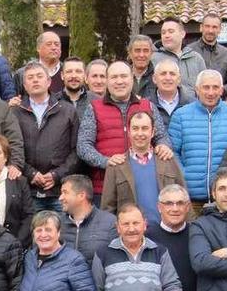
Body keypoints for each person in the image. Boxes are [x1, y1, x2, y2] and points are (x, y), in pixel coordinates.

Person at [77, 61, 171, 206]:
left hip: (144, 186)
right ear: (107, 81)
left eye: (124, 76)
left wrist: (164, 146)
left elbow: (161, 136)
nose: (119, 81)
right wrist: (105, 161)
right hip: (106, 187)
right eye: (114, 77)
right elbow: (83, 146)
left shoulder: (147, 106)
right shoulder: (94, 108)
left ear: (132, 79)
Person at [168, 70, 227, 205]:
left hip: (224, 197)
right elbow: (172, 151)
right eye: (206, 87)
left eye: (215, 87)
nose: (211, 92)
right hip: (190, 198)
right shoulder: (180, 115)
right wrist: (184, 175)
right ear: (197, 90)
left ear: (222, 90)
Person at [13, 62, 79, 214]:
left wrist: (57, 175)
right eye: (30, 77)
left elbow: (76, 150)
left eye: (39, 76)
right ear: (24, 84)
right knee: (36, 236)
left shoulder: (67, 111)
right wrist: (30, 173)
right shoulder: (15, 112)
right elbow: (10, 149)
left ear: (48, 81)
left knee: (62, 235)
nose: (35, 80)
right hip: (28, 191)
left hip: (61, 190)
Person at [101, 111, 185, 223]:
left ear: (153, 132)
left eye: (145, 128)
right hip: (132, 234)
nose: (140, 133)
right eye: (135, 128)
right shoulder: (116, 166)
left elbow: (184, 198)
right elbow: (108, 208)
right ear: (129, 132)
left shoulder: (167, 160)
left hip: (167, 231)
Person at [187, 13, 227, 98]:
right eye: (207, 26)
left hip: (219, 104)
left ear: (220, 29)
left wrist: (218, 90)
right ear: (201, 28)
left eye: (214, 27)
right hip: (193, 103)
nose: (210, 30)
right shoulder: (188, 51)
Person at [151, 17, 207, 90]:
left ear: (182, 34)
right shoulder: (152, 59)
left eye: (171, 31)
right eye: (163, 32)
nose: (166, 35)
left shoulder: (196, 58)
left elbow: (205, 86)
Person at [144, 60, 195, 129]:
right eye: (163, 74)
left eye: (172, 74)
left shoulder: (192, 104)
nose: (168, 78)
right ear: (154, 79)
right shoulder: (145, 105)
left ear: (179, 79)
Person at [13, 31, 64, 97]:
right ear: (38, 48)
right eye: (49, 44)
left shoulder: (68, 72)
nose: (54, 48)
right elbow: (15, 101)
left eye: (57, 44)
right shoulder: (22, 74)